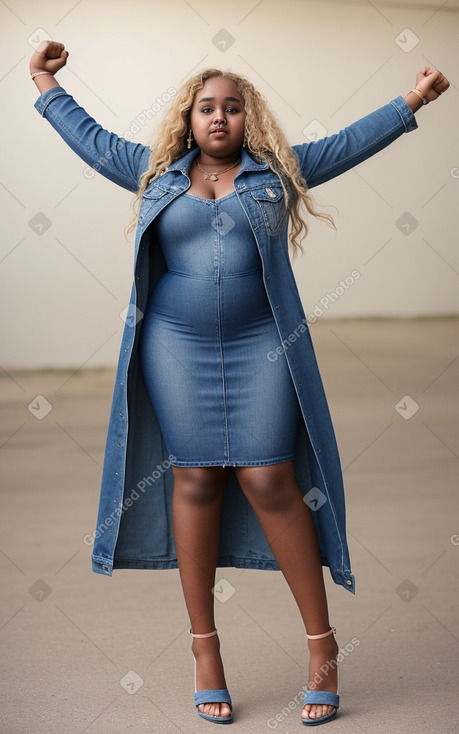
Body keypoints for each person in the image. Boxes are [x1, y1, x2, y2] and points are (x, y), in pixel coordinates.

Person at [30, 39, 449, 727]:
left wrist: (413, 100)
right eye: (206, 108)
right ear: (188, 119)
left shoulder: (278, 174)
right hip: (175, 345)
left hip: (262, 346)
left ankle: (321, 648)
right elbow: (90, 138)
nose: (218, 118)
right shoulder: (154, 173)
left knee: (268, 479)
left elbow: (348, 142)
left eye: (232, 108)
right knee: (193, 478)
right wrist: (45, 81)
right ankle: (205, 651)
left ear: (247, 120)